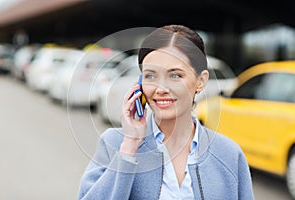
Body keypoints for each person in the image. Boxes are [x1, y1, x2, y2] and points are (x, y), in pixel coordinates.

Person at [77, 25, 254, 200]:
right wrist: (129, 149)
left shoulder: (229, 154)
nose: (161, 88)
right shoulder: (115, 144)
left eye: (175, 75)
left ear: (201, 81)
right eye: (150, 76)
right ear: (139, 84)